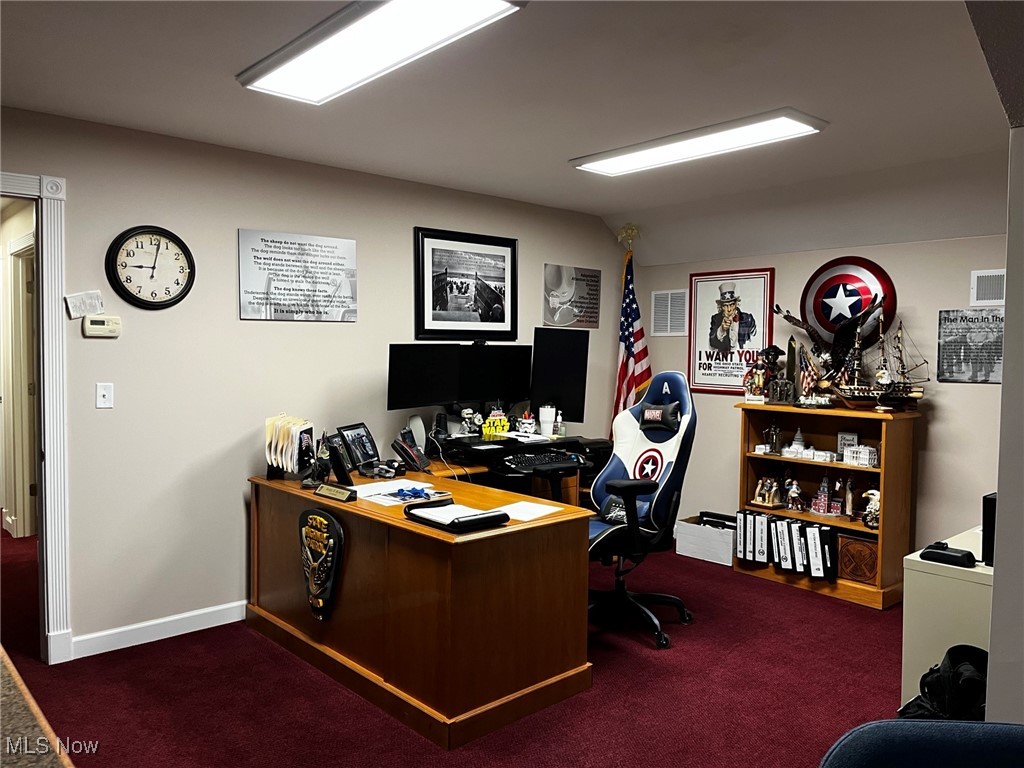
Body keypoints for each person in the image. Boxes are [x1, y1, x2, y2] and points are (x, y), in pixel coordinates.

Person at [709, 282, 757, 353]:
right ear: (721, 307)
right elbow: (712, 343)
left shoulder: (747, 319)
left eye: (731, 305)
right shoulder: (716, 319)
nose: (729, 309)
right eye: (725, 305)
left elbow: (754, 341)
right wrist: (722, 329)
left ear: (736, 304)